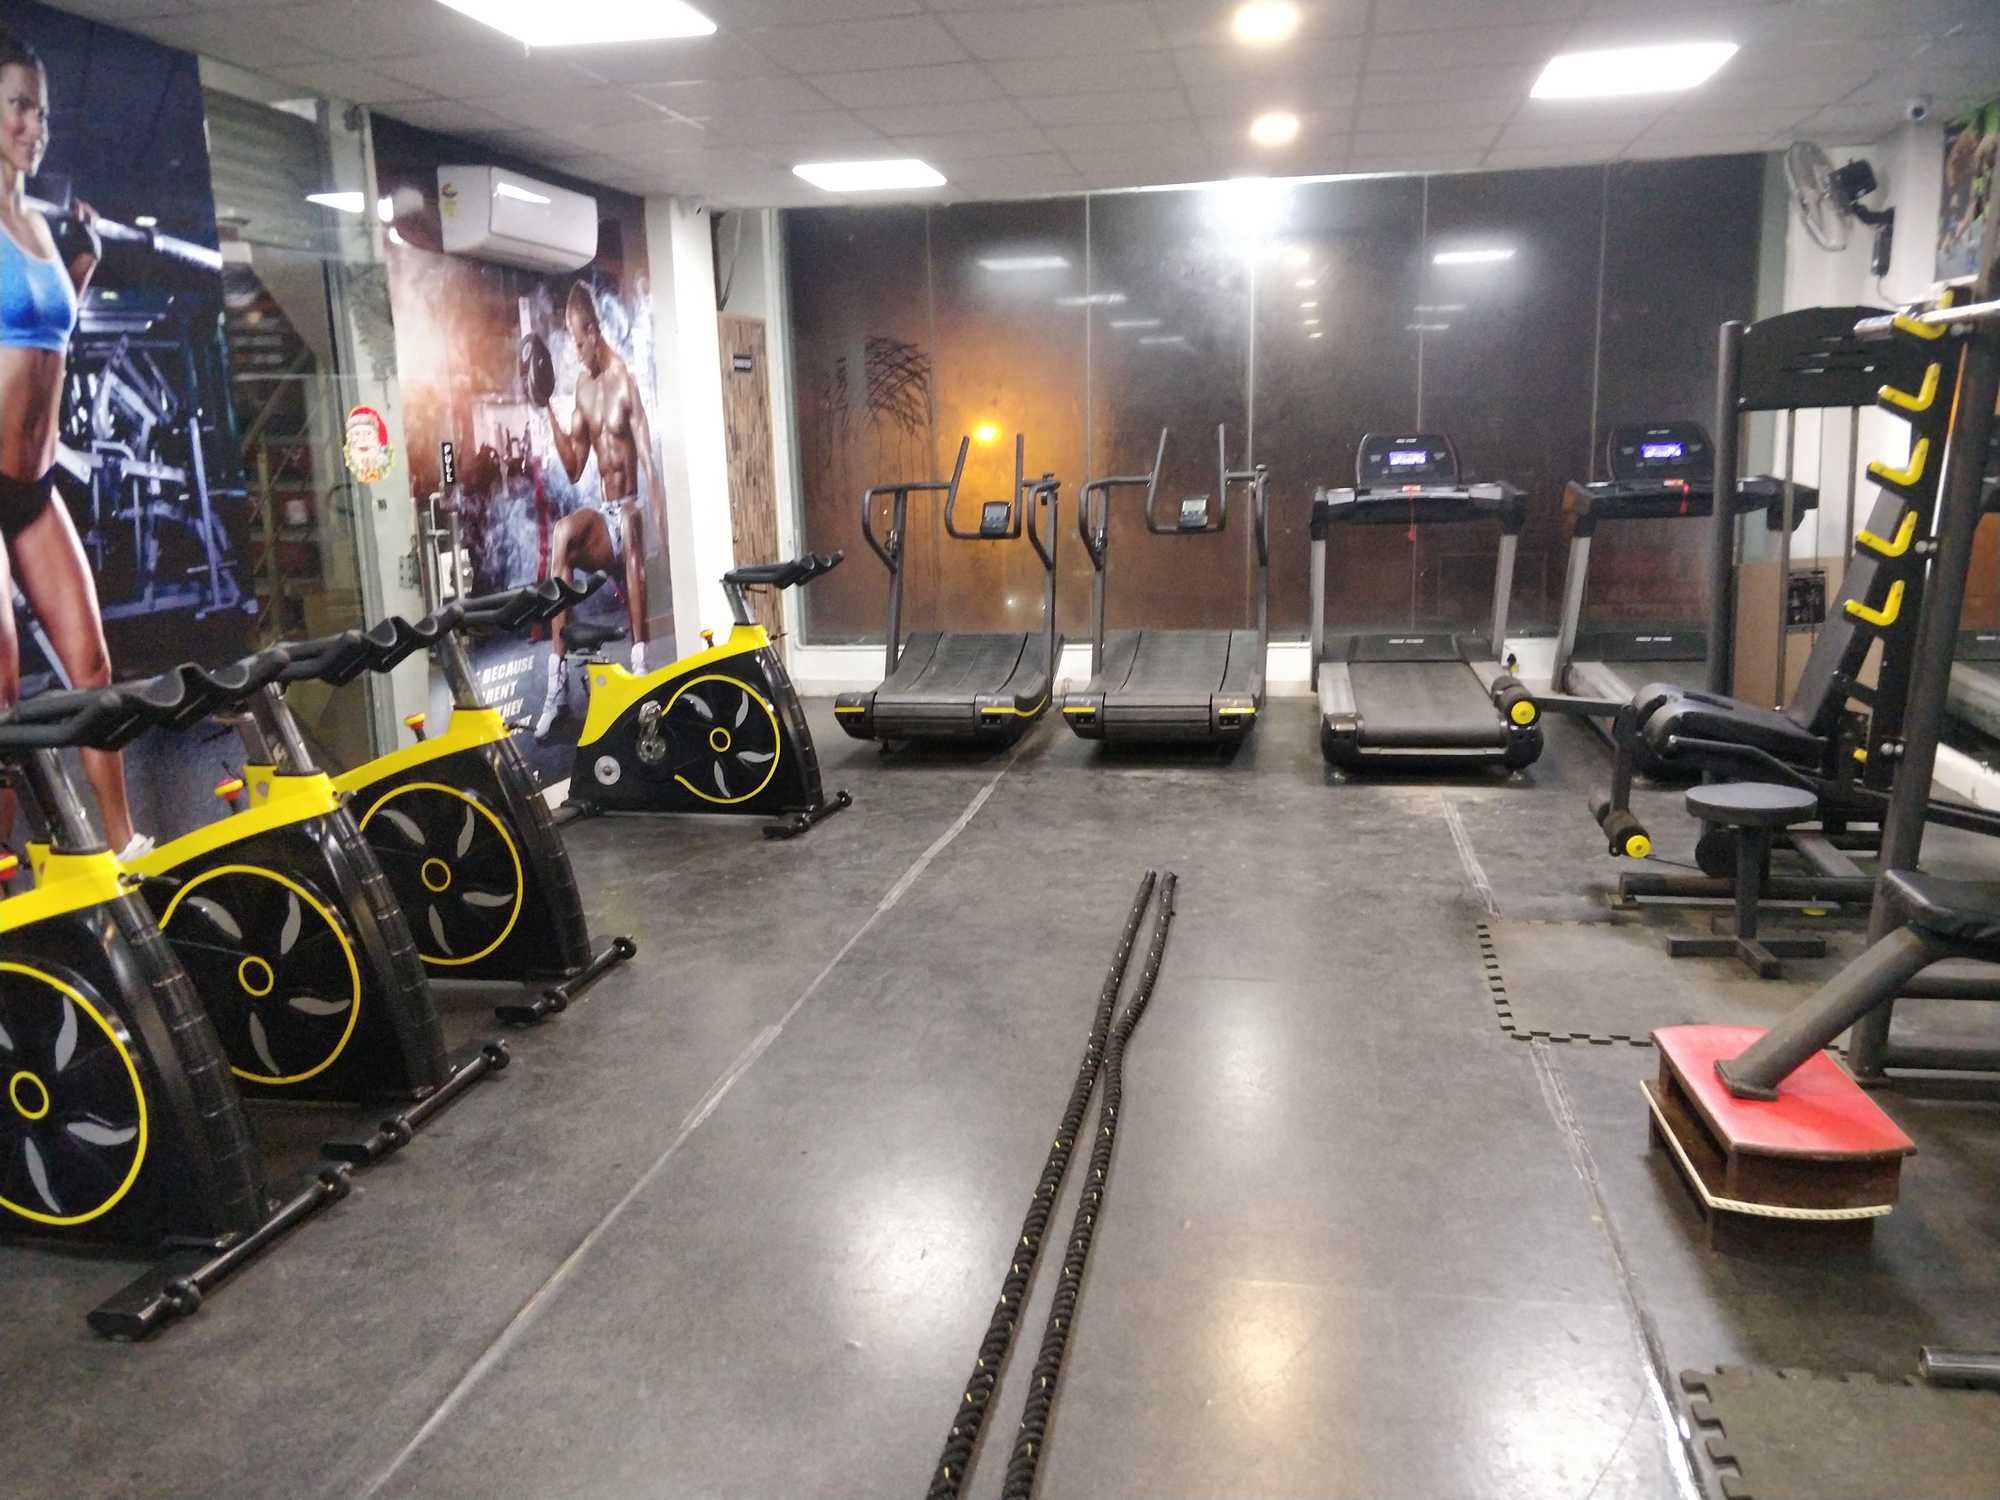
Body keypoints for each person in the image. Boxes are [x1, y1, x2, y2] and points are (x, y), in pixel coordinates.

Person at [0, 29, 147, 857]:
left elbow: (49, 337)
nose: (35, 125)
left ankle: (123, 848)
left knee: (91, 670)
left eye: (42, 112)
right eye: (19, 106)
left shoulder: (38, 225)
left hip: (33, 485)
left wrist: (83, 269)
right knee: (1, 701)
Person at [534, 281, 660, 739]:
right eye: (570, 341)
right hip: (606, 518)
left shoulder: (625, 380)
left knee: (628, 517)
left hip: (632, 511)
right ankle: (557, 685)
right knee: (564, 531)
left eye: (577, 340)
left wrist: (660, 519)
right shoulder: (582, 390)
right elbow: (573, 469)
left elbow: (648, 459)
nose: (575, 350)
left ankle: (641, 667)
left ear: (592, 330)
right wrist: (547, 408)